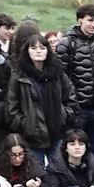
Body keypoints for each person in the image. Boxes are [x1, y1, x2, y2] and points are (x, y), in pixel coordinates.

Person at [5, 24, 75, 160]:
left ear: (48, 50)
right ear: (27, 50)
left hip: (56, 132)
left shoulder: (57, 73)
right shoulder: (19, 75)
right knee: (36, 176)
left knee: (58, 174)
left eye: (42, 48)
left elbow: (70, 98)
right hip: (32, 137)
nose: (38, 51)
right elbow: (11, 106)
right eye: (34, 48)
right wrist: (26, 125)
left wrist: (64, 116)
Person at [54, 5, 94, 163]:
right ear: (80, 20)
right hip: (77, 111)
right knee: (74, 155)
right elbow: (60, 78)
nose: (93, 25)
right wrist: (70, 107)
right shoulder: (67, 44)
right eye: (90, 20)